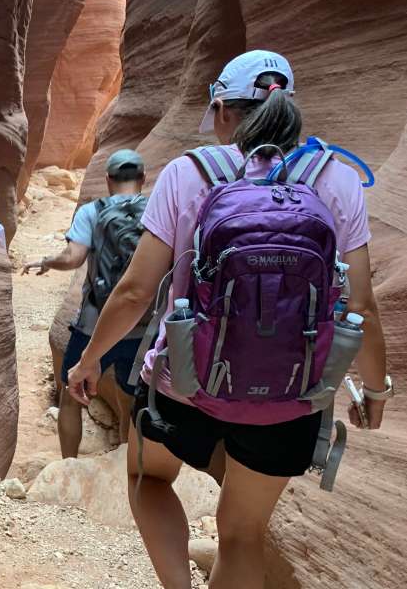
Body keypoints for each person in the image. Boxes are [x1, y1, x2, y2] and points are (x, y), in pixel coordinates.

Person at [66, 50, 391, 589]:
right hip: (294, 393)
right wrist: (375, 392)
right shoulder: (336, 180)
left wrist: (89, 359)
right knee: (242, 534)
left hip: (184, 381)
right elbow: (362, 306)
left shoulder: (188, 173)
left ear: (222, 110)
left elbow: (135, 291)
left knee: (147, 478)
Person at [23, 150, 148, 455]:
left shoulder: (93, 211)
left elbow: (73, 258)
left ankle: (69, 461)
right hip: (141, 325)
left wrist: (48, 261)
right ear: (143, 180)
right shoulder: (156, 210)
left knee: (71, 393)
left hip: (94, 324)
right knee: (131, 401)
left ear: (108, 180)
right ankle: (125, 467)